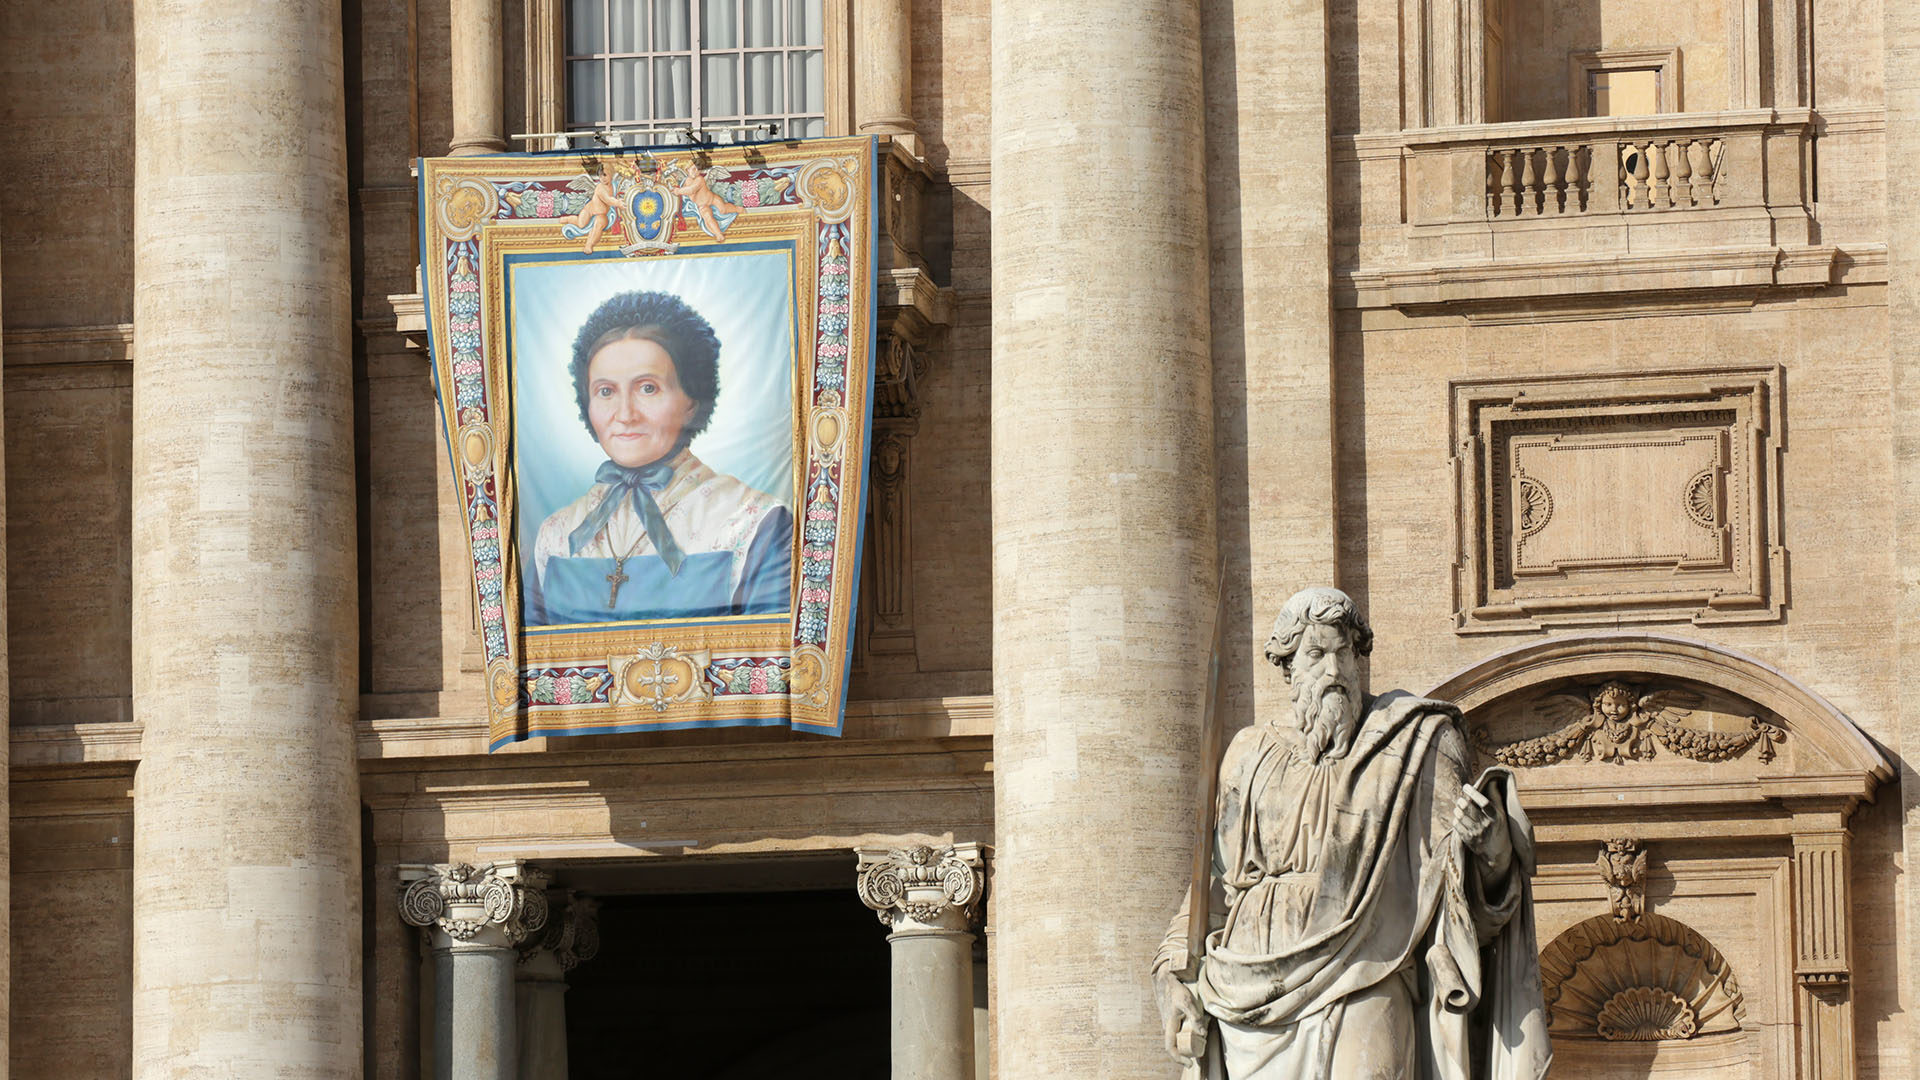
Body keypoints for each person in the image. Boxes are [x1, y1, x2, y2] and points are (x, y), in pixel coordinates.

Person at [1152, 587, 1551, 1080]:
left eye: (1345, 653)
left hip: (1371, 962)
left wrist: (1490, 850)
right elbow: (1213, 885)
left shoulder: (1413, 743)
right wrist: (1171, 978)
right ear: (1288, 669)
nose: (1334, 671)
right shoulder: (1249, 754)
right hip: (1252, 983)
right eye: (1316, 654)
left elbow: (1456, 897)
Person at [529, 290, 792, 624]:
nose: (624, 414)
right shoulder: (555, 535)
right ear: (587, 405)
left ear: (692, 401)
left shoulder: (752, 523)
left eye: (647, 388)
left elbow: (767, 663)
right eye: (606, 391)